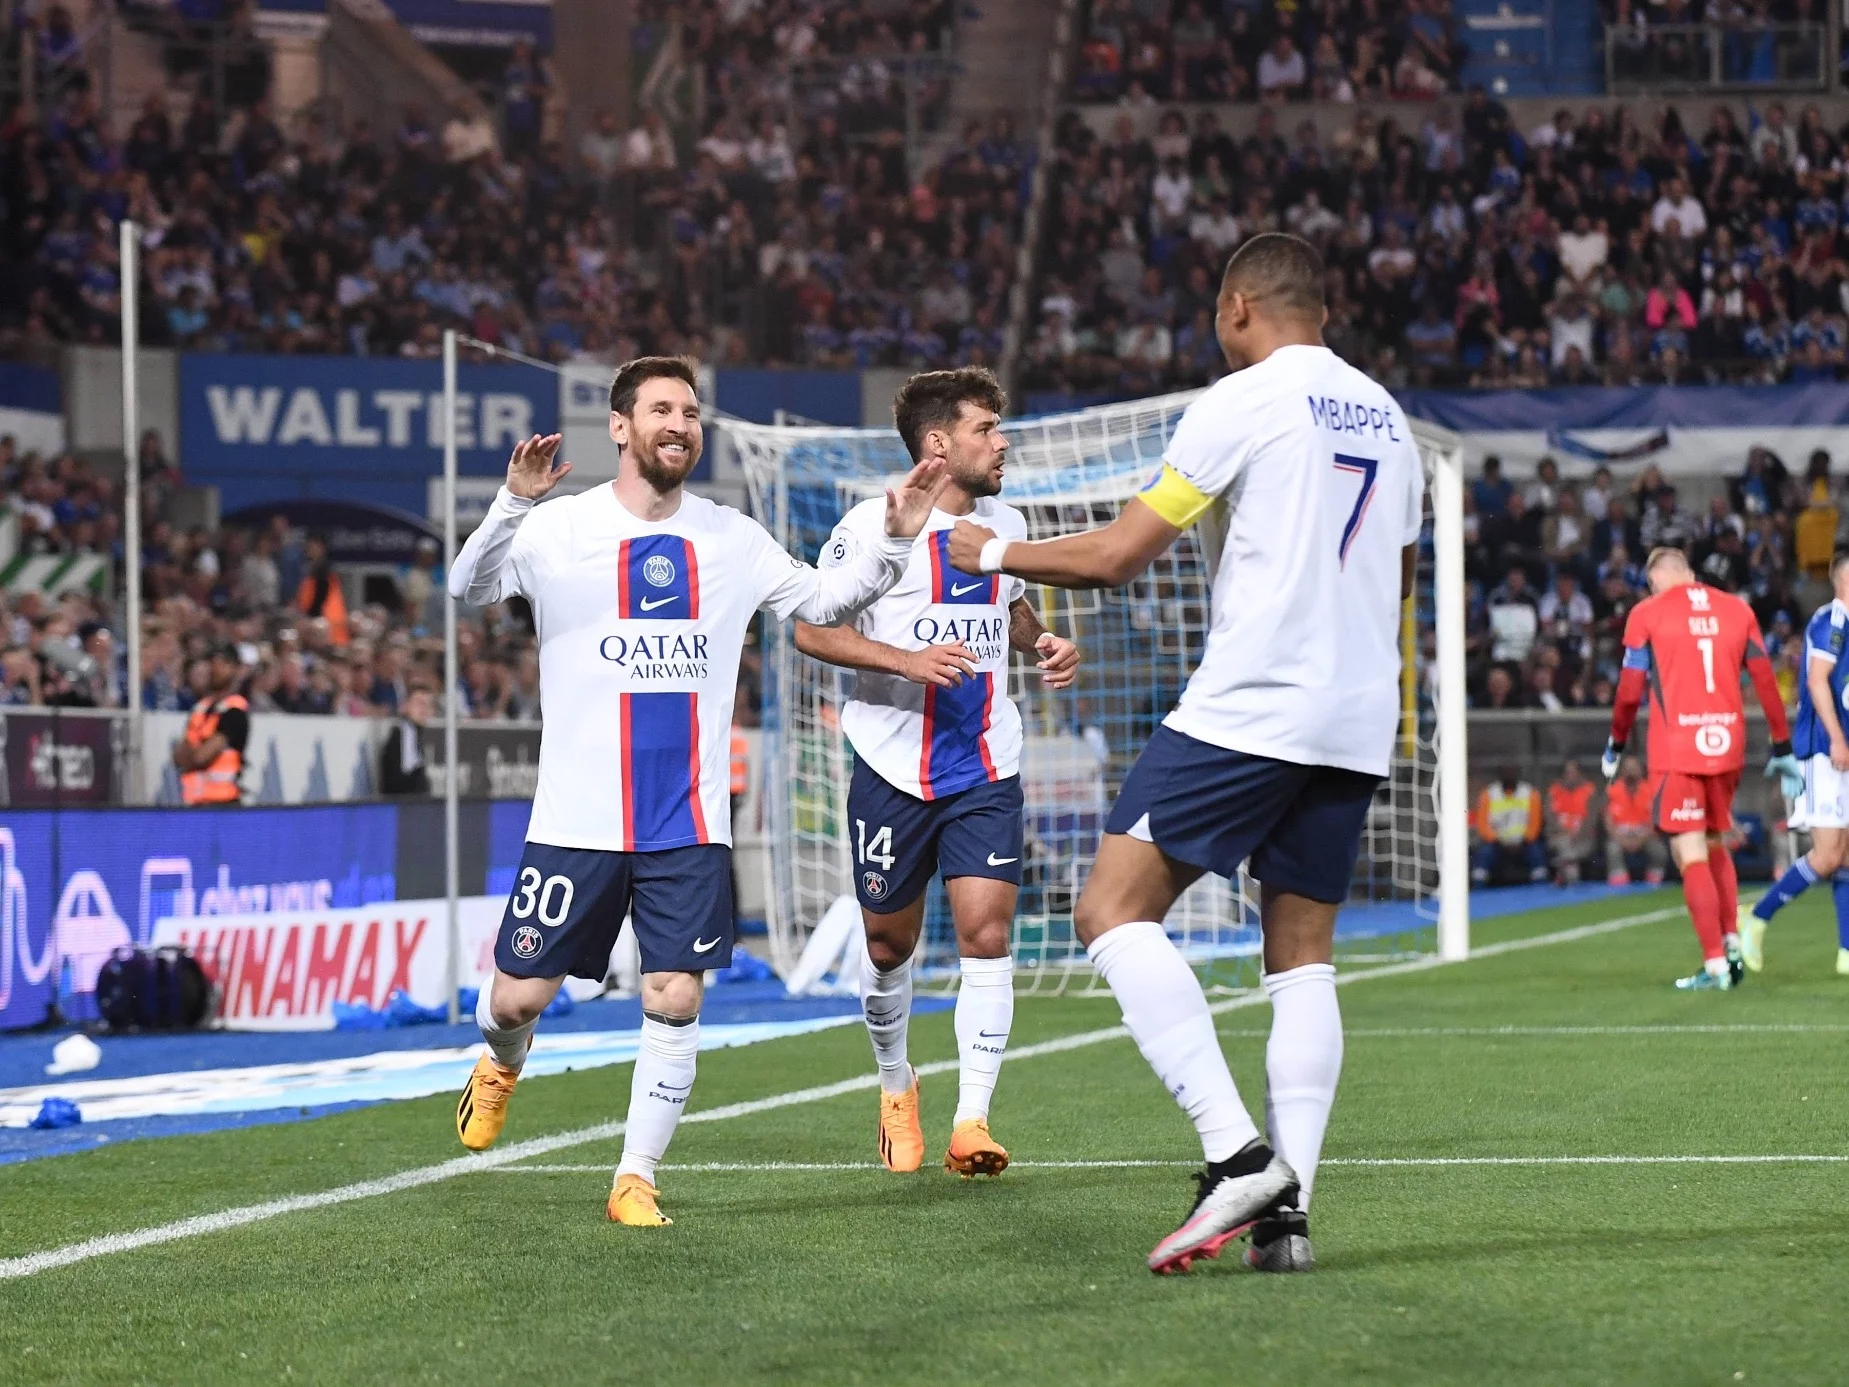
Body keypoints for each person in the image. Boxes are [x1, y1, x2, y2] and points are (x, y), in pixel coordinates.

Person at [946, 233, 1424, 1275]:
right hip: (1353, 714)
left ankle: (1235, 1151)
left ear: (1240, 304)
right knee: (1300, 958)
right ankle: (1286, 1218)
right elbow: (1401, 571)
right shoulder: (1389, 418)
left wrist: (992, 550)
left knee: (1109, 911)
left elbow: (1118, 556)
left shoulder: (1242, 397)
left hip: (1254, 701)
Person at [447, 356, 945, 1228]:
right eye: (662, 409)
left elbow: (824, 600)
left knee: (673, 996)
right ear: (621, 425)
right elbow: (467, 589)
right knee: (516, 997)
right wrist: (512, 502)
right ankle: (500, 1061)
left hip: (688, 822)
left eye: (690, 411)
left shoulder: (732, 537)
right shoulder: (558, 528)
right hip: (578, 820)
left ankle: (634, 1177)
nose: (680, 423)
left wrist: (894, 539)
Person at [793, 367, 1081, 1179]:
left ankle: (972, 1119)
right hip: (890, 763)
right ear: (937, 443)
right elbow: (813, 632)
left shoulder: (1005, 523)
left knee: (987, 933)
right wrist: (905, 661)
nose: (1002, 441)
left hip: (985, 760)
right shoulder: (870, 525)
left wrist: (1043, 643)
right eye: (986, 428)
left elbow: (1010, 604)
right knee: (889, 944)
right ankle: (896, 1084)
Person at [1601, 547, 1800, 990]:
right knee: (1714, 842)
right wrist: (1781, 743)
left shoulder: (1646, 614)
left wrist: (1615, 744)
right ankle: (1731, 945)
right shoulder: (1737, 608)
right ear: (1689, 574)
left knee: (1687, 851)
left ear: (1654, 582)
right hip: (1727, 744)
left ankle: (1715, 966)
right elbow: (1765, 679)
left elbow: (1630, 690)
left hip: (1679, 750)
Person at [1740, 553, 1849, 976]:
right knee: (1825, 856)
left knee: (1846, 856)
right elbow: (1818, 681)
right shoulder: (1831, 622)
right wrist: (1837, 739)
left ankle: (1846, 953)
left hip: (1843, 750)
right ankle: (1756, 916)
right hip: (1825, 751)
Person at [172, 644, 249, 805]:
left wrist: (193, 754)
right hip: (194, 801)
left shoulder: (234, 711)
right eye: (213, 663)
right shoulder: (201, 708)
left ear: (234, 669)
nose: (216, 669)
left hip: (223, 803)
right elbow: (179, 757)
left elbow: (202, 757)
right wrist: (195, 753)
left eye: (223, 664)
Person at [1471, 763, 1547, 884]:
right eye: (1506, 772)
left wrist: (1523, 840)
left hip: (1524, 842)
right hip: (1497, 843)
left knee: (1537, 854)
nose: (1509, 776)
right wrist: (1498, 841)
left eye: (1512, 772)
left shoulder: (1530, 793)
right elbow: (1482, 824)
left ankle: (1540, 889)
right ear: (1500, 775)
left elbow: (1535, 823)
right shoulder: (1489, 794)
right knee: (1484, 854)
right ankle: (1479, 889)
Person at [1603, 755, 1666, 885]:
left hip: (1645, 834)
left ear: (1640, 770)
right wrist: (1622, 839)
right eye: (1627, 768)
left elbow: (1656, 821)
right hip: (1620, 834)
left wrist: (1640, 840)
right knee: (1612, 849)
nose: (1630, 771)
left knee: (1659, 851)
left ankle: (1653, 886)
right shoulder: (1612, 790)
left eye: (1634, 768)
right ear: (1621, 771)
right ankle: (1620, 886)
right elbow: (1607, 821)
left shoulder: (1651, 789)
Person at [1545, 758, 1598, 885]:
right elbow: (1549, 818)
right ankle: (1572, 877)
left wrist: (1577, 835)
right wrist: (1563, 832)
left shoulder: (1589, 791)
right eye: (1568, 773)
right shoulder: (1554, 791)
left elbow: (1592, 819)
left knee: (1569, 847)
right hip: (1559, 837)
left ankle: (1564, 874)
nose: (1571, 776)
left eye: (1574, 772)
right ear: (1562, 775)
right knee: (1564, 843)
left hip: (1583, 838)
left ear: (1580, 774)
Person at [379, 684, 433, 796]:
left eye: (428, 705)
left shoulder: (416, 734)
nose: (424, 709)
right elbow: (403, 781)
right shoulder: (403, 733)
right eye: (419, 703)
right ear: (405, 706)